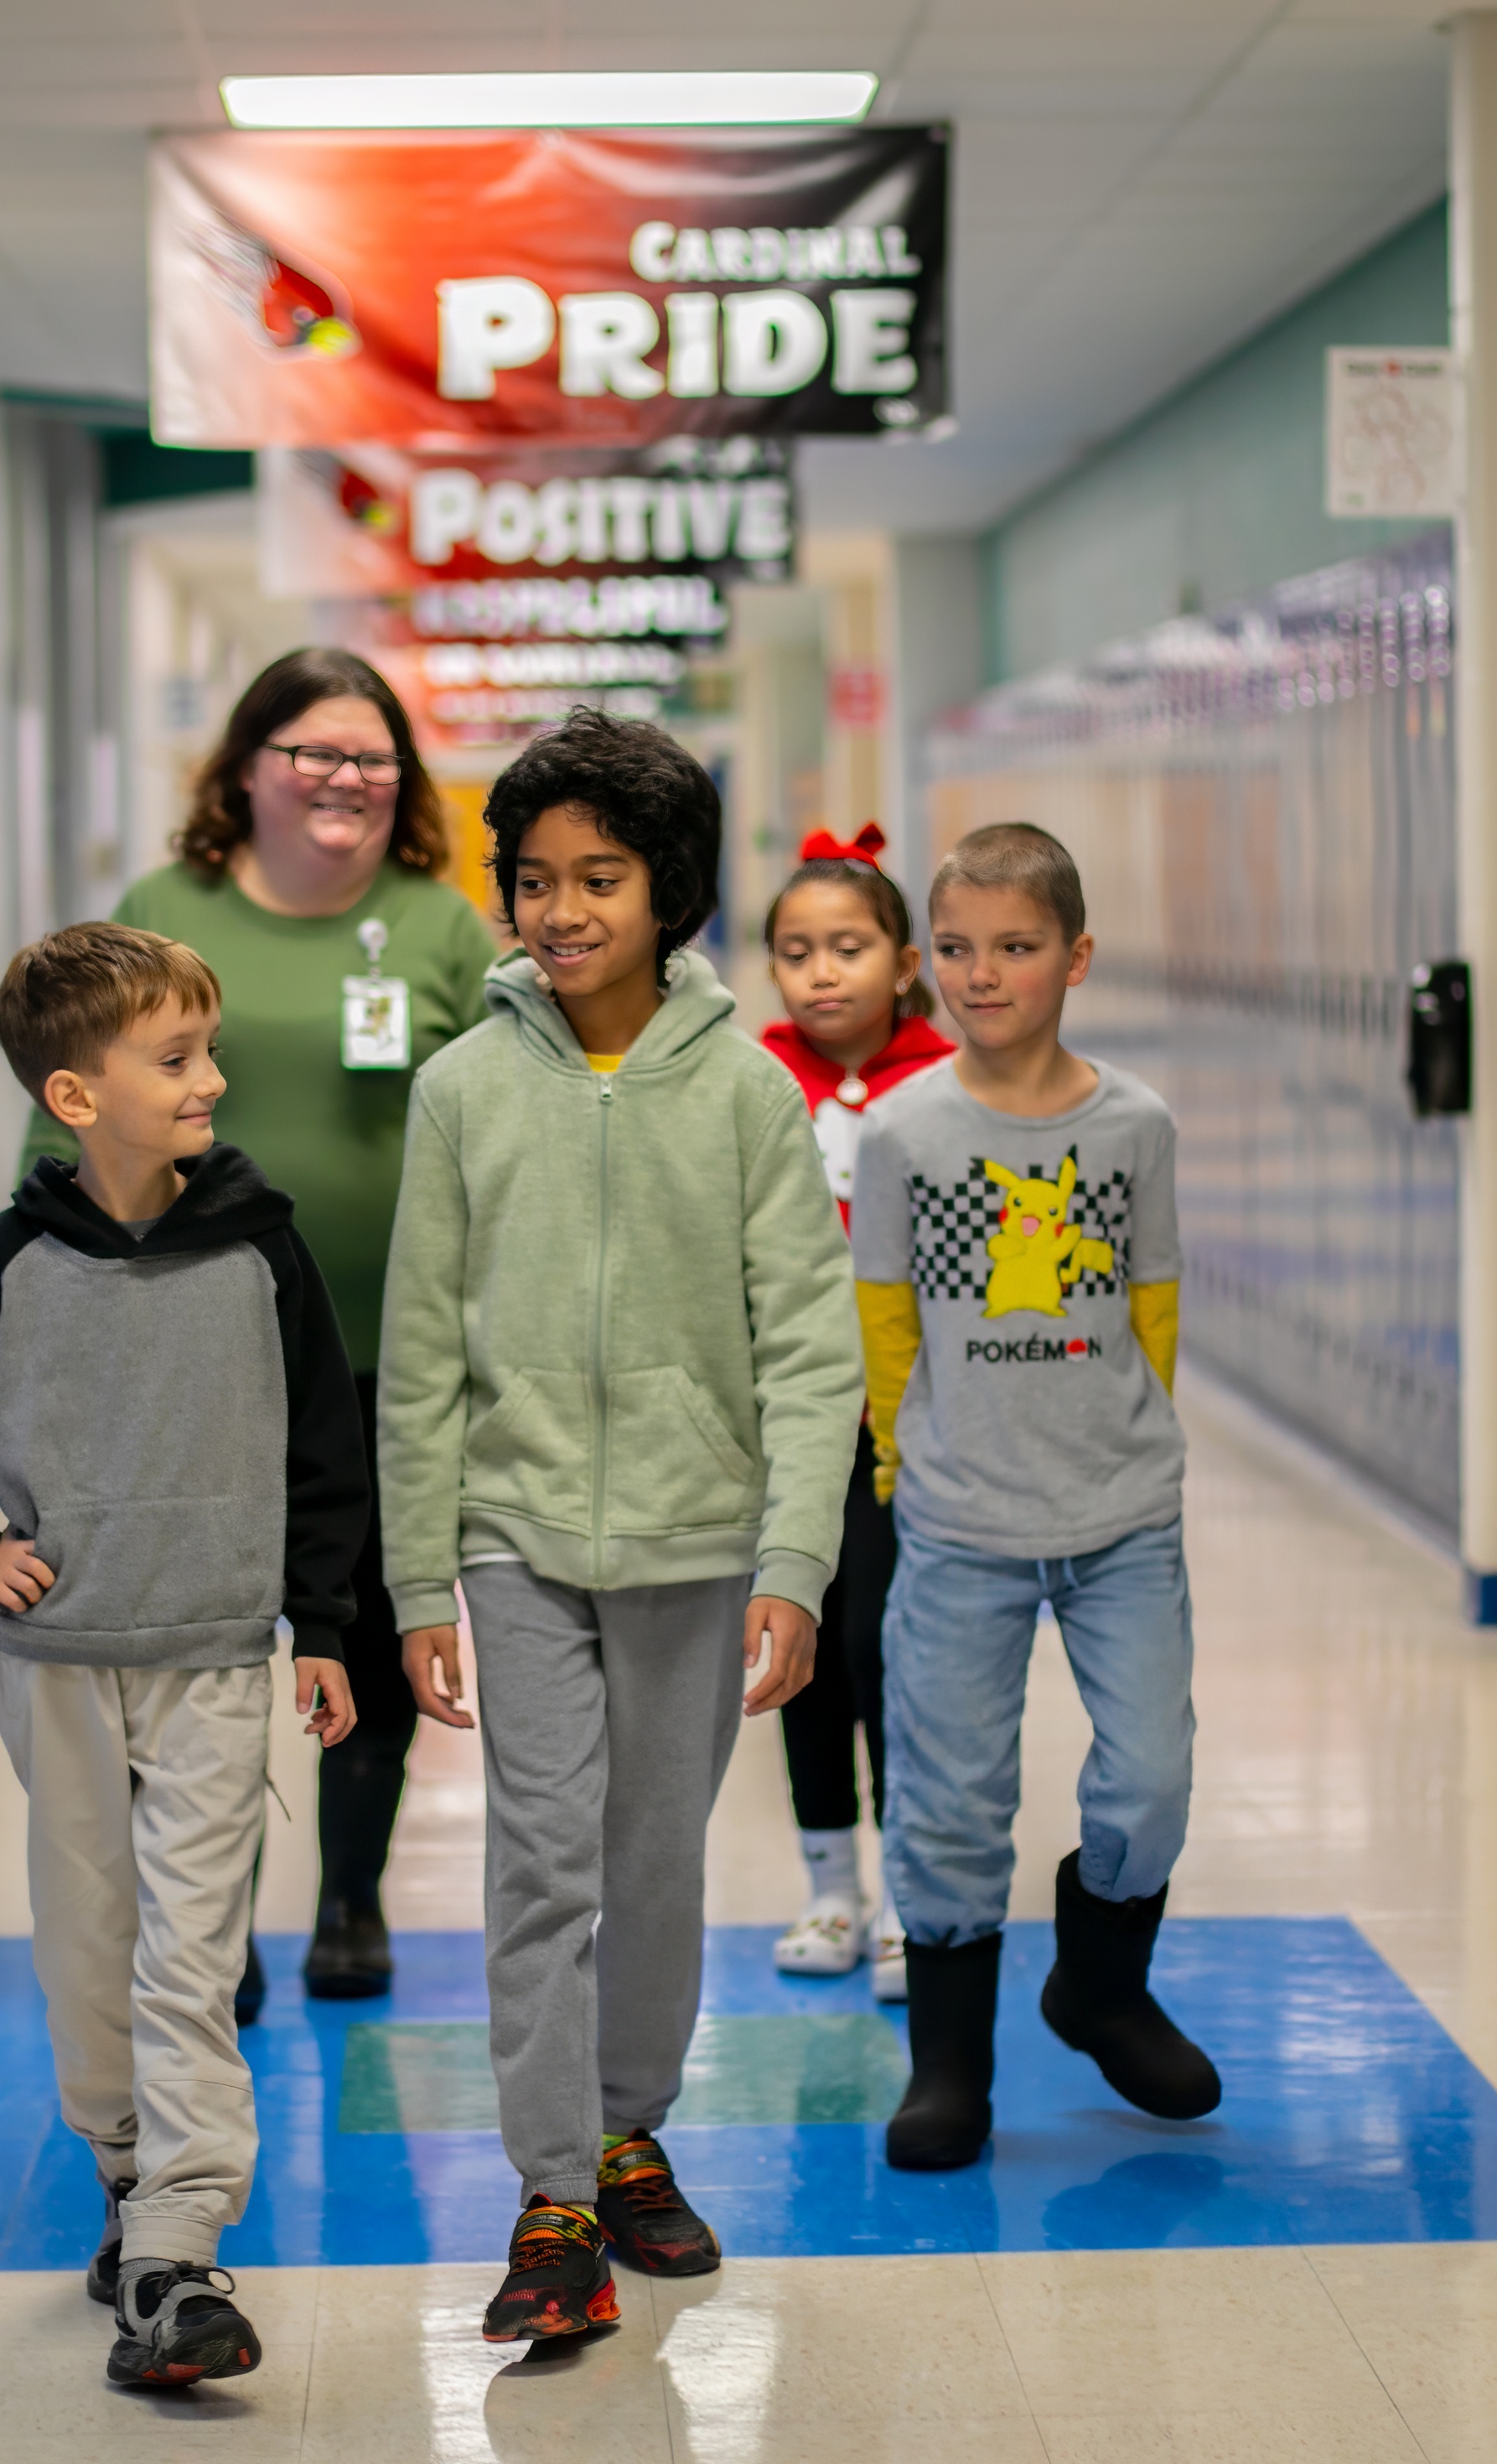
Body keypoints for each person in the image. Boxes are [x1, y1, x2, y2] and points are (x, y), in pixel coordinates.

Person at [376, 708, 857, 2341]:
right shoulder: (459, 1088)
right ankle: (549, 2188)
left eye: (601, 875)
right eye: (532, 878)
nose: (563, 908)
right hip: (516, 1532)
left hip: (693, 1528)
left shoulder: (741, 1093)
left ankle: (627, 2123)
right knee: (539, 1855)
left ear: (669, 889)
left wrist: (792, 1562)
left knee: (651, 1858)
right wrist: (413, 1571)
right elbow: (421, 1342)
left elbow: (808, 1343)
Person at [0, 922, 368, 2389]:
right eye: (178, 1057)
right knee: (89, 1945)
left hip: (213, 1653)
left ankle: (181, 2252)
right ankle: (132, 2177)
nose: (212, 1079)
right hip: (61, 1656)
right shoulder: (12, 1259)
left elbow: (328, 1445)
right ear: (77, 1096)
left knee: (192, 1958)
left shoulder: (264, 1244)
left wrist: (317, 1625)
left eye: (208, 1051)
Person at [32, 647, 494, 2010]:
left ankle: (351, 1895)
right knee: (204, 1631)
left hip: (390, 1344)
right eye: (312, 752)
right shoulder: (165, 910)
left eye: (371, 757)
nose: (343, 779)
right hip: (194, 1339)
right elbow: (74, 1092)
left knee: (359, 1616)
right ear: (246, 767)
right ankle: (209, 1918)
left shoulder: (439, 925)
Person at [853, 823, 1224, 2173]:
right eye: (954, 949)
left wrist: (1144, 1446)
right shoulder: (905, 1130)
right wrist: (905, 1466)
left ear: (1077, 957)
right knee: (950, 1799)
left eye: (1014, 948)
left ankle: (1099, 1984)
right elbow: (887, 1320)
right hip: (960, 1523)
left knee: (1153, 1772)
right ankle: (952, 2064)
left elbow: (1155, 1302)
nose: (982, 974)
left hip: (1122, 1511)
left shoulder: (1133, 1125)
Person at [757, 827, 955, 2000]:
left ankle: (904, 1897)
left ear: (903, 959)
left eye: (848, 947)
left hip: (910, 1417)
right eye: (796, 951)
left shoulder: (944, 1074)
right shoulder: (754, 1079)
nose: (822, 972)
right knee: (801, 1651)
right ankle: (830, 1887)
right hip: (789, 1414)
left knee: (895, 1650)